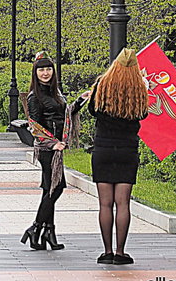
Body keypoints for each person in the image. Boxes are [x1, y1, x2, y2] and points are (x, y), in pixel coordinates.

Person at [88, 47, 149, 266]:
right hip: (127, 151)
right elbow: (143, 114)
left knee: (105, 204)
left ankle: (106, 251)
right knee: (123, 203)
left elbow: (92, 111)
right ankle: (121, 253)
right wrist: (144, 84)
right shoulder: (139, 90)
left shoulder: (101, 86)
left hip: (103, 149)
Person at [22, 52, 88, 251]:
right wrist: (52, 144)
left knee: (48, 189)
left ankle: (48, 232)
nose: (45, 72)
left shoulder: (56, 93)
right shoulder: (35, 96)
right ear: (35, 72)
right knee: (56, 188)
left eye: (48, 68)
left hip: (56, 148)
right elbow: (34, 126)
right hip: (47, 150)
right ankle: (35, 228)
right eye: (41, 69)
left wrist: (80, 100)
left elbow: (65, 114)